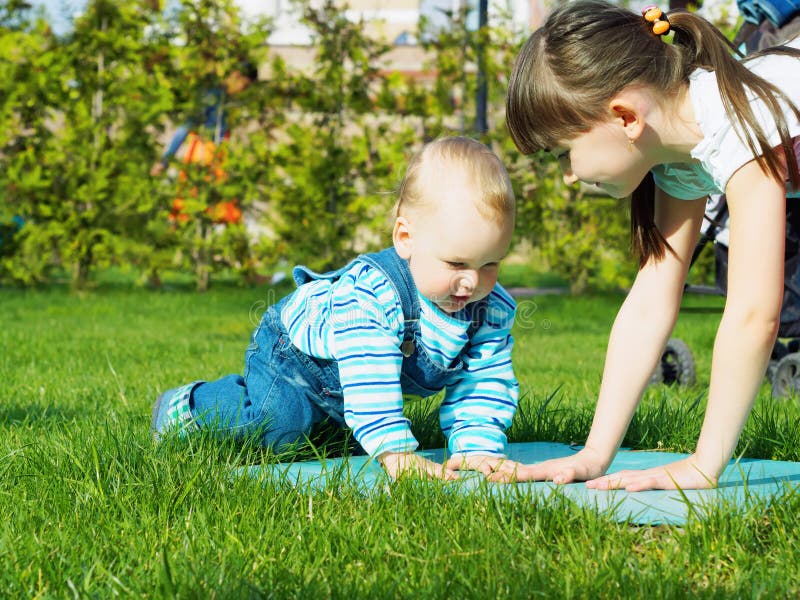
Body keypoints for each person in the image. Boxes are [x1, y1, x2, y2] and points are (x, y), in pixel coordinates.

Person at [505, 0, 800, 491]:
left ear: (625, 117)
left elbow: (754, 314)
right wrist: (594, 454)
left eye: (563, 154)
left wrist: (703, 465)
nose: (568, 176)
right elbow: (649, 304)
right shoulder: (682, 156)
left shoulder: (736, 128)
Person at [152, 136, 526, 482]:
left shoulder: (488, 310)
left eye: (490, 263)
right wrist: (395, 452)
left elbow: (484, 380)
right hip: (295, 358)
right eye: (457, 264)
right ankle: (186, 406)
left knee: (331, 442)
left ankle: (335, 423)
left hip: (350, 388)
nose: (472, 282)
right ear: (405, 238)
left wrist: (478, 448)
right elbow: (370, 370)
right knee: (278, 428)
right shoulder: (373, 295)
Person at [150, 61, 259, 224]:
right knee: (191, 206)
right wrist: (165, 160)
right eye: (244, 85)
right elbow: (185, 127)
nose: (243, 90)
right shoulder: (211, 96)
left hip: (218, 157)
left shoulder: (228, 102)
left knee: (220, 211)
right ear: (236, 75)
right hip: (202, 156)